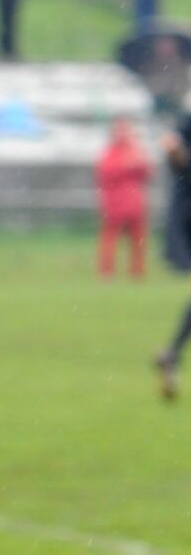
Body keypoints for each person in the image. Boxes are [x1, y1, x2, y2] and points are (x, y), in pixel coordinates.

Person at [155, 115, 191, 399]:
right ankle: (172, 352)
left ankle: (172, 352)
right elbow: (170, 144)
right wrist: (178, 153)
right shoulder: (186, 122)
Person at [96, 117, 151, 280]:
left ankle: (137, 271)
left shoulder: (135, 150)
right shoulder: (110, 152)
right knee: (110, 238)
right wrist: (125, 165)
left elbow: (146, 171)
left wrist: (137, 162)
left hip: (134, 204)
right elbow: (106, 173)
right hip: (115, 204)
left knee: (138, 239)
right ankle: (106, 271)